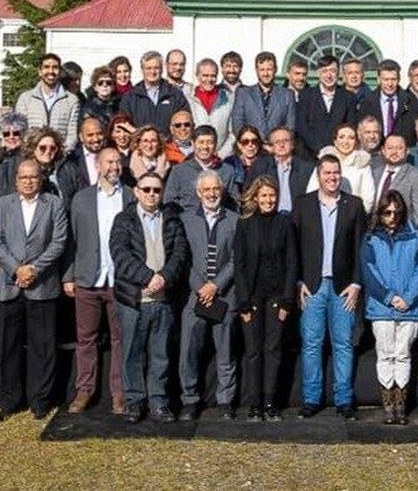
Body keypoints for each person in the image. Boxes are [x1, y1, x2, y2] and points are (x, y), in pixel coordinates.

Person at [0, 159, 68, 421]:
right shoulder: (1, 205)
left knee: (42, 347)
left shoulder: (54, 204)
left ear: (41, 179)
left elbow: (59, 241)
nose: (28, 181)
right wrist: (16, 269)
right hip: (9, 286)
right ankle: (10, 399)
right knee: (7, 345)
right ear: (16, 180)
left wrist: (34, 269)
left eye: (33, 177)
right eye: (23, 177)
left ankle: (40, 399)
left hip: (42, 284)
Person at [292, 156, 368, 419]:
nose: (332, 177)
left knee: (344, 344)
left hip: (343, 287)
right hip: (312, 286)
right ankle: (312, 399)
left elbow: (362, 247)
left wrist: (357, 283)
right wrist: (298, 281)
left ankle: (344, 399)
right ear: (319, 174)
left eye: (336, 173)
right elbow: (295, 248)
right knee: (311, 344)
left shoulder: (354, 205)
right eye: (327, 173)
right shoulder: (303, 205)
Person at [61, 147, 134, 415]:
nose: (114, 166)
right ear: (99, 165)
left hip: (120, 281)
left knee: (120, 339)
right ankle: (85, 390)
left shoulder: (130, 196)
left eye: (118, 161)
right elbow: (72, 240)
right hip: (88, 278)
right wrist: (68, 275)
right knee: (86, 338)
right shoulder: (81, 199)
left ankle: (119, 393)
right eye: (109, 162)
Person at [111, 173, 187, 423]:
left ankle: (158, 401)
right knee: (132, 352)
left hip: (164, 298)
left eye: (156, 190)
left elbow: (180, 253)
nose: (152, 194)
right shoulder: (124, 220)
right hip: (134, 299)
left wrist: (164, 277)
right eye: (147, 189)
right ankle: (135, 401)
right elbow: (120, 254)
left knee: (160, 353)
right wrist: (147, 278)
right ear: (137, 191)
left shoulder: (172, 219)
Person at [360, 188, 418, 425]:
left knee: (403, 354)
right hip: (381, 307)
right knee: (385, 353)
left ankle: (401, 405)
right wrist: (389, 297)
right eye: (387, 212)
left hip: (410, 308)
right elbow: (369, 272)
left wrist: (408, 298)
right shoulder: (371, 239)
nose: (391, 216)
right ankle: (388, 405)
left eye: (396, 212)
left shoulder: (417, 238)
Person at [233, 176, 299, 422]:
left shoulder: (285, 223)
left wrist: (287, 300)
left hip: (276, 297)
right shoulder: (244, 224)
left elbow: (292, 263)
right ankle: (254, 405)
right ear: (255, 197)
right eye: (264, 196)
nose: (268, 200)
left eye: (272, 195)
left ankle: (271, 403)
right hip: (251, 299)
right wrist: (242, 301)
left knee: (273, 350)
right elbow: (238, 264)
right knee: (253, 352)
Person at [178, 170, 239, 420]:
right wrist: (200, 286)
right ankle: (190, 400)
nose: (212, 194)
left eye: (216, 189)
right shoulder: (185, 220)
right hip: (195, 296)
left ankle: (225, 400)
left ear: (221, 190)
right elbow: (182, 258)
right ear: (198, 193)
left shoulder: (235, 220)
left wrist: (216, 285)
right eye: (207, 190)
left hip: (224, 296)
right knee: (189, 351)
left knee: (225, 352)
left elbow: (237, 258)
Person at [295, 55, 359, 159]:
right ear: (319, 73)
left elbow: (350, 126)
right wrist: (320, 149)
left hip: (340, 155)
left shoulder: (348, 97)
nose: (329, 75)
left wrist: (335, 150)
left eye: (333, 71)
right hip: (310, 155)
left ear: (339, 73)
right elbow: (302, 126)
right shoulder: (306, 95)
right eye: (324, 71)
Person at [306, 123, 377, 211]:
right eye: (341, 137)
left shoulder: (362, 164)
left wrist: (356, 217)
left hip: (352, 215)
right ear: (335, 141)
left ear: (356, 142)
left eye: (351, 138)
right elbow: (312, 190)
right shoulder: (324, 160)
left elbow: (368, 199)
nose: (346, 142)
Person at [230, 51, 297, 141]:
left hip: (277, 149)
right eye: (262, 70)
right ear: (256, 71)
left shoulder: (287, 95)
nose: (265, 74)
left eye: (269, 69)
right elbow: (237, 124)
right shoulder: (244, 94)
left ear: (275, 70)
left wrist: (275, 144)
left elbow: (290, 126)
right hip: (251, 147)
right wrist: (253, 143)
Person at [356, 59, 418, 146]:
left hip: (403, 153)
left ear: (399, 79)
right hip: (376, 152)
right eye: (386, 79)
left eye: (393, 79)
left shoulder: (411, 102)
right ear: (379, 80)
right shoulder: (367, 103)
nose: (390, 84)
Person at [370, 133, 418, 224]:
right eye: (390, 148)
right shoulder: (374, 173)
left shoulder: (417, 176)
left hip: (403, 233)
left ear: (407, 151)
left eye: (399, 148)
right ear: (383, 151)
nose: (394, 152)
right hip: (374, 232)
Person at [16, 53, 79, 140]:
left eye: (55, 67)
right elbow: (21, 130)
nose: (51, 71)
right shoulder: (25, 99)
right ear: (39, 71)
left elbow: (72, 134)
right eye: (46, 67)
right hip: (32, 152)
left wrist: (63, 152)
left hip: (60, 152)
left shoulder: (72, 100)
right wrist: (31, 151)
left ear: (60, 72)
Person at [120, 50, 188, 129]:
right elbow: (124, 125)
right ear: (142, 70)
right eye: (148, 68)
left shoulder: (175, 94)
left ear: (162, 69)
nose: (152, 72)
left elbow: (185, 123)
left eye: (156, 68)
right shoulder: (130, 97)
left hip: (168, 141)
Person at [165, 124, 224, 212]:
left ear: (215, 145)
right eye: (201, 142)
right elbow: (169, 202)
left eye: (209, 142)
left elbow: (233, 204)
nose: (205, 147)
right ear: (193, 143)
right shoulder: (179, 171)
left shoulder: (227, 170)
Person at [188, 58, 234, 155]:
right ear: (197, 76)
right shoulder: (189, 98)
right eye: (205, 76)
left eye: (213, 76)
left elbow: (233, 132)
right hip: (195, 156)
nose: (209, 80)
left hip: (221, 157)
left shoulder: (228, 99)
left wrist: (221, 154)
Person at [55, 116, 107, 203]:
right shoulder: (71, 161)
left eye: (99, 133)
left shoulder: (113, 156)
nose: (96, 139)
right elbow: (68, 198)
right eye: (90, 135)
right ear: (81, 137)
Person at [221, 125, 272, 199]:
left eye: (254, 141)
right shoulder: (229, 163)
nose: (250, 145)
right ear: (239, 145)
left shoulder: (267, 162)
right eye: (245, 142)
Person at [23, 127, 66, 197]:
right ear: (33, 148)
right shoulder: (25, 171)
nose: (48, 151)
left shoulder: (63, 171)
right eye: (43, 148)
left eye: (52, 148)